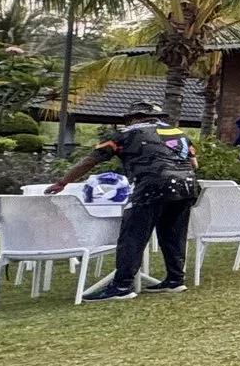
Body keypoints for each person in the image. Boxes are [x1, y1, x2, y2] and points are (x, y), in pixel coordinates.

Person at [61, 104, 199, 300]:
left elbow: (90, 161)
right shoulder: (177, 133)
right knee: (173, 233)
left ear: (134, 117)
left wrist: (63, 182)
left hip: (151, 186)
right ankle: (175, 280)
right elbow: (194, 163)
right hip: (187, 187)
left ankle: (122, 285)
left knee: (132, 235)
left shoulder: (122, 135)